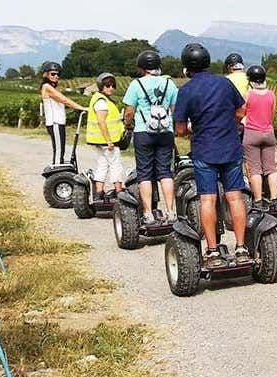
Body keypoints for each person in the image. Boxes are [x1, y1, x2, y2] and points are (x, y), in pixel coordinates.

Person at [173, 43, 253, 267]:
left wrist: (194, 127)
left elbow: (179, 130)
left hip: (205, 150)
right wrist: (227, 122)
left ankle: (213, 251)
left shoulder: (186, 91)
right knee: (235, 197)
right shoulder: (225, 83)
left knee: (207, 199)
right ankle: (240, 248)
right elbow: (241, 110)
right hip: (230, 147)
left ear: (187, 68)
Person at [123, 50, 179, 226]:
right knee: (165, 172)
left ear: (142, 67)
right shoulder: (169, 83)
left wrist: (127, 124)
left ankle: (148, 213)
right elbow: (174, 108)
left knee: (145, 173)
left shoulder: (136, 84)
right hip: (165, 132)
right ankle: (171, 212)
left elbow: (130, 111)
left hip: (143, 132)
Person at [241, 65, 277, 208]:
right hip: (268, 133)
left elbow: (242, 113)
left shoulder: (248, 95)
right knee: (271, 169)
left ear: (250, 81)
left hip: (252, 133)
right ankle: (274, 199)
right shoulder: (271, 94)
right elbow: (272, 114)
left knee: (255, 169)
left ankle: (258, 201)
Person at [38, 61, 87, 165]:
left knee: (61, 149)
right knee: (59, 151)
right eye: (53, 74)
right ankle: (56, 174)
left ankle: (59, 171)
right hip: (54, 123)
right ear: (45, 74)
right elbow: (64, 100)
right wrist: (81, 108)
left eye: (58, 74)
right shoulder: (46, 87)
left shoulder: (52, 87)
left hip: (59, 123)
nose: (56, 76)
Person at [85, 72, 125, 201]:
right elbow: (101, 122)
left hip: (98, 141)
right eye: (107, 86)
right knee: (115, 165)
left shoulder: (99, 98)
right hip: (107, 141)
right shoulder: (101, 102)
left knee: (102, 165)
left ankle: (99, 193)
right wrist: (109, 141)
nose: (111, 88)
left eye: (113, 86)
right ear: (101, 86)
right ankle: (119, 192)